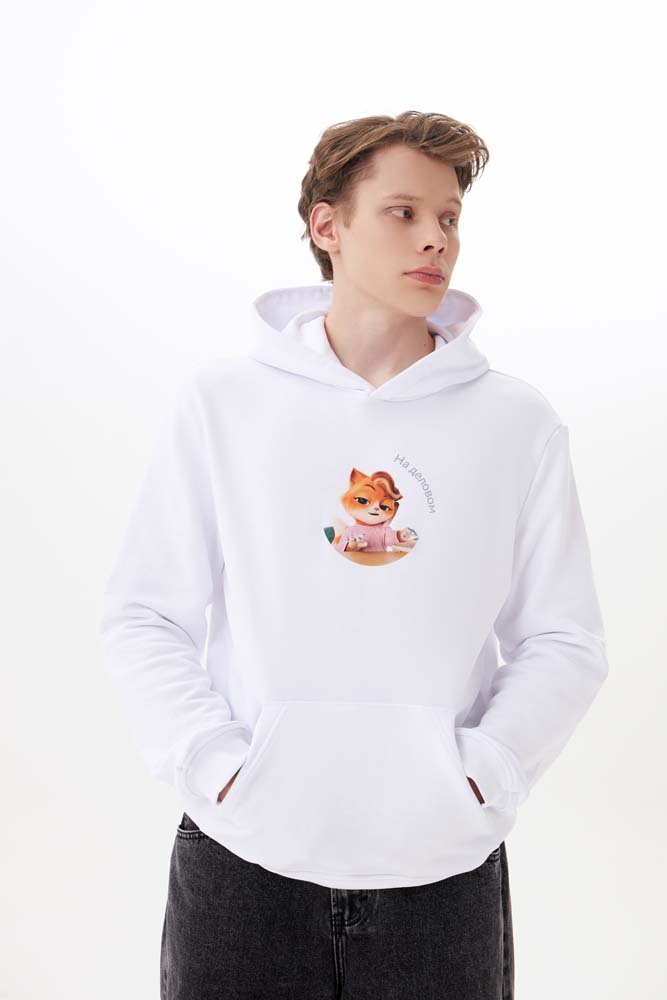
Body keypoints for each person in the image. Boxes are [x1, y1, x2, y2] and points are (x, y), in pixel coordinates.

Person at [98, 110, 609, 999]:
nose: (435, 239)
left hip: (440, 865)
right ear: (326, 226)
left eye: (448, 218)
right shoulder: (225, 404)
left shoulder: (514, 422)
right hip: (242, 856)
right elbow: (144, 613)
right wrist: (212, 764)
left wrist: (484, 774)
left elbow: (564, 639)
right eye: (403, 213)